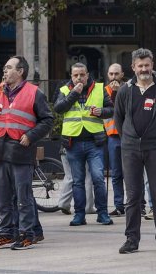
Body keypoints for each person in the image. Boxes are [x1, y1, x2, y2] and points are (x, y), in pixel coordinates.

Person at [0, 56, 54, 251]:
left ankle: (27, 234)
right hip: (0, 150)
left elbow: (47, 120)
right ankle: (6, 234)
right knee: (1, 197)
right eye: (4, 67)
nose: (5, 71)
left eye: (9, 68)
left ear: (20, 72)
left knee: (23, 197)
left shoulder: (34, 92)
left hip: (21, 150)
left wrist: (30, 136)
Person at [114, 49, 156, 255]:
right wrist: (130, 139)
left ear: (152, 65)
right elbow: (119, 119)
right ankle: (131, 240)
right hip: (130, 149)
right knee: (133, 196)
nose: (144, 69)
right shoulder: (125, 90)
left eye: (147, 65)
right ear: (133, 67)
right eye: (140, 66)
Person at [54, 62, 114, 227]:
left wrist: (101, 112)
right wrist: (74, 93)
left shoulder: (99, 88)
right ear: (71, 76)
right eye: (75, 75)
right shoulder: (65, 90)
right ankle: (79, 215)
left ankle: (102, 213)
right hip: (73, 143)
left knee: (98, 178)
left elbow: (111, 109)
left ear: (87, 75)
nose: (79, 78)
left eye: (82, 74)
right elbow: (58, 108)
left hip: (94, 142)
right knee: (78, 181)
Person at [103, 63, 126, 216]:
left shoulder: (128, 89)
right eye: (111, 74)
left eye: (116, 74)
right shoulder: (103, 91)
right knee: (116, 173)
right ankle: (119, 206)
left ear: (122, 74)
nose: (113, 77)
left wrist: (118, 92)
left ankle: (138, 204)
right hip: (112, 137)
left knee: (133, 173)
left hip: (128, 136)